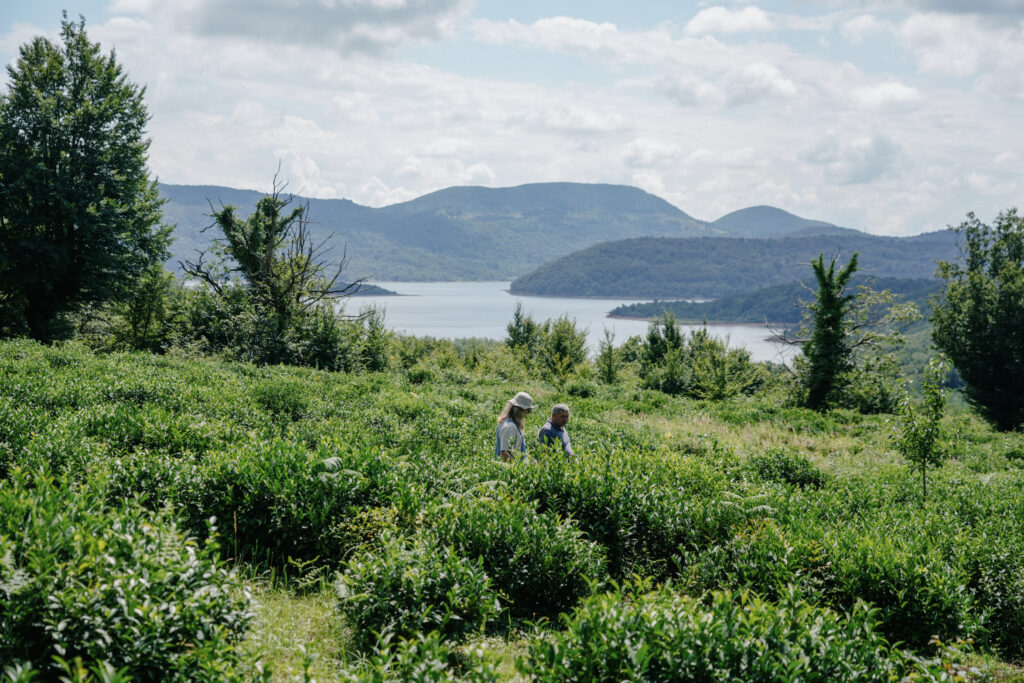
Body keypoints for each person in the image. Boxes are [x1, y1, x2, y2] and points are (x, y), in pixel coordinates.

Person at [495, 391, 533, 462]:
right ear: (520, 410)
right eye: (528, 410)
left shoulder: (507, 422)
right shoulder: (510, 427)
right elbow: (505, 455)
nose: (528, 413)